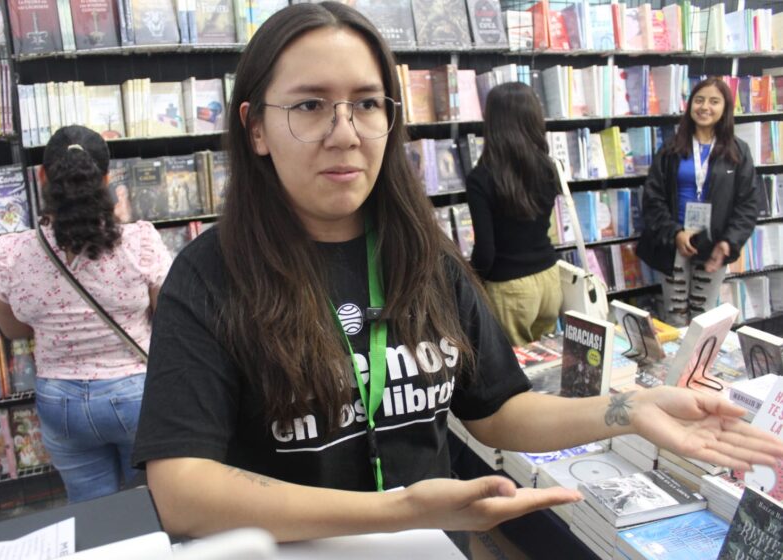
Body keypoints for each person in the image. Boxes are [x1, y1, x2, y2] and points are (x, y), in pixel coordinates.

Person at [132, 2, 783, 553]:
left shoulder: (424, 257)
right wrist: (400, 509)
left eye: (366, 103)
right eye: (309, 105)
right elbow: (182, 490)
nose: (345, 133)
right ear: (256, 129)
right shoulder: (211, 275)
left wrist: (629, 409)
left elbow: (499, 410)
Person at [0, 125, 172, 503]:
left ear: (42, 176)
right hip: (136, 395)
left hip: (60, 402)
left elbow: (13, 329)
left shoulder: (10, 253)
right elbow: (169, 318)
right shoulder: (139, 241)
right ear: (106, 178)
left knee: (92, 513)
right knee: (148, 506)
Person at [636, 77, 759, 326]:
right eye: (699, 100)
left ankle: (696, 366)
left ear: (725, 108)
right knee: (675, 318)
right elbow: (652, 197)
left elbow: (748, 204)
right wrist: (675, 233)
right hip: (674, 244)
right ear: (690, 104)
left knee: (702, 320)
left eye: (714, 101)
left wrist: (729, 242)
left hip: (713, 245)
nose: (705, 107)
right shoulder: (671, 150)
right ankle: (675, 366)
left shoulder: (738, 152)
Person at [465, 82, 561, 346]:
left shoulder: (481, 178)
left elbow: (486, 250)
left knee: (516, 370)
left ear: (492, 121)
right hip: (549, 279)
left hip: (510, 288)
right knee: (547, 362)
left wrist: (471, 281)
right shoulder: (548, 167)